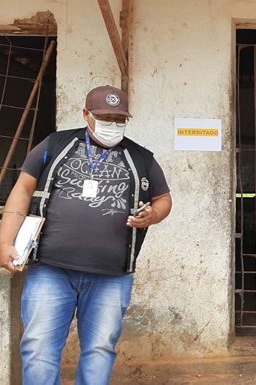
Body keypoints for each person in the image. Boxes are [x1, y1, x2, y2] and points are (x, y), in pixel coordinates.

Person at [0, 85, 172, 385]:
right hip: (51, 270)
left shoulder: (140, 157)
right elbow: (22, 191)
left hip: (112, 275)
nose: (113, 125)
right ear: (86, 114)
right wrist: (4, 241)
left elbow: (163, 198)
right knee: (38, 347)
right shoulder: (55, 145)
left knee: (100, 349)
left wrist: (153, 215)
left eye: (120, 119)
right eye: (106, 117)